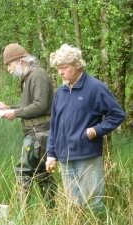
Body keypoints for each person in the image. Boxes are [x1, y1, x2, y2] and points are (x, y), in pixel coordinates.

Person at [46, 44, 125, 214]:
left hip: (87, 156)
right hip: (65, 158)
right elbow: (54, 125)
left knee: (93, 205)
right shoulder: (60, 91)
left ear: (77, 65)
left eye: (64, 68)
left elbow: (117, 115)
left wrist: (96, 130)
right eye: (58, 68)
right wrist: (51, 154)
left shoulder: (95, 87)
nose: (60, 73)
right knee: (73, 207)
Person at [0, 43, 57, 208]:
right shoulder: (29, 76)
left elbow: (40, 106)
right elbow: (30, 106)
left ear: (20, 61)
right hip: (36, 133)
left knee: (23, 172)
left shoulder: (38, 75)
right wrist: (10, 108)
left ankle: (22, 214)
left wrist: (15, 113)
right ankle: (53, 212)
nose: (8, 69)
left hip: (38, 134)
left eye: (9, 65)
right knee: (43, 173)